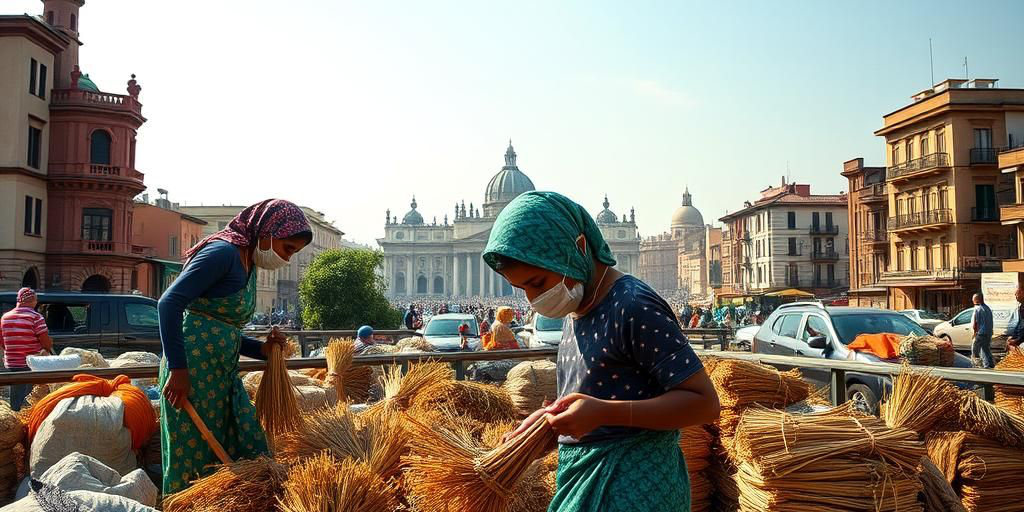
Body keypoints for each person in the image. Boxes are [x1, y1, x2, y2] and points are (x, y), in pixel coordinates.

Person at [484, 191, 719, 512]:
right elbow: (591, 398)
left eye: (537, 282)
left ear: (578, 248)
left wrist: (605, 413)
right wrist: (548, 423)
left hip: (637, 490)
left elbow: (704, 404)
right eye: (523, 288)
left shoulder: (633, 306)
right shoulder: (577, 308)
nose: (532, 299)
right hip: (584, 483)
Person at [157, 199, 312, 494]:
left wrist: (261, 350)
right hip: (191, 376)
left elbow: (222, 329)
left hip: (221, 375)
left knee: (248, 444)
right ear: (267, 232)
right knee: (195, 462)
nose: (287, 259)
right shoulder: (222, 253)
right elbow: (169, 303)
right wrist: (178, 370)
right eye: (288, 248)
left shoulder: (248, 262)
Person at [0, 288, 53, 411]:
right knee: (30, 395)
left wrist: (13, 352)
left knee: (16, 390)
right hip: (32, 362)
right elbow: (45, 341)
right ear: (33, 301)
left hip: (12, 363)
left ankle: (15, 416)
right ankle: (27, 418)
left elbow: (2, 341)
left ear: (18, 300)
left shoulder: (5, 317)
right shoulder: (36, 317)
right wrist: (48, 347)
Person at [970, 293, 994, 369]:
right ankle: (990, 364)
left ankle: (978, 364)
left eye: (973, 299)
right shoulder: (988, 308)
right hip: (988, 332)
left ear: (976, 300)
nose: (972, 300)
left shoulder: (977, 308)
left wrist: (974, 333)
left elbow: (975, 323)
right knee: (986, 349)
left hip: (981, 333)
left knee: (975, 349)